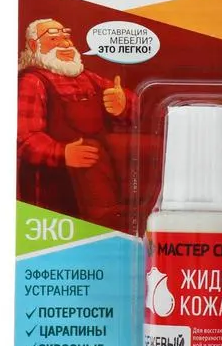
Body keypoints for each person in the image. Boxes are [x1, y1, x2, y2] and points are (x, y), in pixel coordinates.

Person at [17, 18, 137, 229]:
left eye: (66, 37)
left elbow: (135, 104)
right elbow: (24, 138)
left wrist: (123, 104)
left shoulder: (87, 78)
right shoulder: (32, 81)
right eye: (54, 38)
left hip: (101, 175)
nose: (65, 44)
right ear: (34, 45)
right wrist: (62, 153)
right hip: (55, 185)